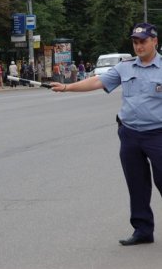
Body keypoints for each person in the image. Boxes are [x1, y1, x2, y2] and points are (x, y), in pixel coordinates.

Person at [50, 22, 162, 246]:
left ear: (155, 41)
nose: (138, 46)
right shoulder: (125, 67)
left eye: (143, 42)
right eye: (135, 42)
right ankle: (142, 230)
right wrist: (66, 87)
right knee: (136, 185)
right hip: (130, 134)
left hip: (158, 135)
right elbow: (98, 81)